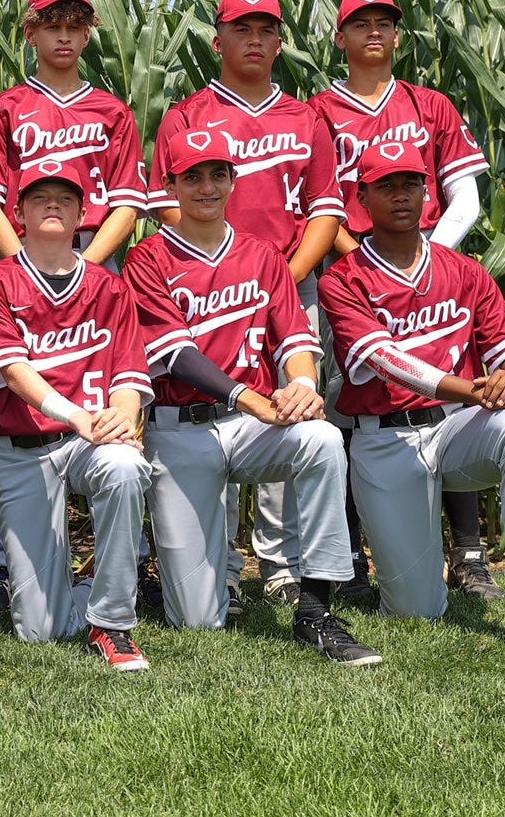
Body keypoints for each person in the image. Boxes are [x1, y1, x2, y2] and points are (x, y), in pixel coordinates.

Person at [123, 148, 379, 664]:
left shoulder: (262, 255)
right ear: (170, 185)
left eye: (217, 175)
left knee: (322, 438)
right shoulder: (147, 258)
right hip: (181, 430)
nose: (206, 187)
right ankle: (191, 582)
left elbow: (294, 339)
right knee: (196, 618)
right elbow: (176, 355)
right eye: (191, 177)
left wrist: (303, 385)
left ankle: (316, 608)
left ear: (233, 181)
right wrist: (253, 399)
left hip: (249, 427)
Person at [319, 143, 505, 662]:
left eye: (410, 183)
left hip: (459, 429)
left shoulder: (465, 270)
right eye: (385, 186)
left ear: (428, 192)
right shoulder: (342, 279)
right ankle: (421, 563)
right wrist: (473, 388)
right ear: (361, 198)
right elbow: (384, 358)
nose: (400, 196)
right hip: (385, 436)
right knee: (416, 609)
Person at [146, 0, 342, 607]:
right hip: (198, 281)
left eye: (266, 31)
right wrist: (221, 268)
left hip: (282, 276)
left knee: (292, 410)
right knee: (216, 404)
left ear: (281, 42)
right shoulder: (187, 114)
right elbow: (164, 209)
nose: (254, 40)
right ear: (219, 40)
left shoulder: (304, 115)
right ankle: (217, 564)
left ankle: (284, 568)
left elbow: (325, 208)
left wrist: (275, 273)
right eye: (242, 29)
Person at [0, 0, 150, 615]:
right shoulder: (5, 109)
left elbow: (126, 202)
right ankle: (1, 565)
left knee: (113, 394)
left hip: (90, 252)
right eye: (53, 24)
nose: (65, 36)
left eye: (77, 24)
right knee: (18, 400)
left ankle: (130, 565)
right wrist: (30, 269)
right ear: (31, 32)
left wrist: (82, 266)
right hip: (24, 257)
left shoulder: (112, 111)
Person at [311, 0, 497, 601]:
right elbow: (317, 204)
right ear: (339, 38)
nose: (372, 32)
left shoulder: (429, 104)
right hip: (353, 275)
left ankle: (469, 555)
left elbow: (465, 196)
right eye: (358, 24)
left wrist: (425, 257)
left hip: (434, 269)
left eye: (384, 23)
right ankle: (355, 558)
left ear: (398, 36)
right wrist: (366, 263)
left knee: (453, 400)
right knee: (350, 406)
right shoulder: (320, 111)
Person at [0, 165, 154, 670]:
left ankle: (113, 621)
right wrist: (78, 415)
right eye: (40, 197)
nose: (52, 205)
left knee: (125, 466)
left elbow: (130, 373)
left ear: (81, 215)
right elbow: (10, 369)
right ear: (18, 213)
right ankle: (88, 588)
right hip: (24, 449)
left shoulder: (108, 287)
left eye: (64, 199)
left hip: (89, 442)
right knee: (39, 630)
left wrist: (120, 421)